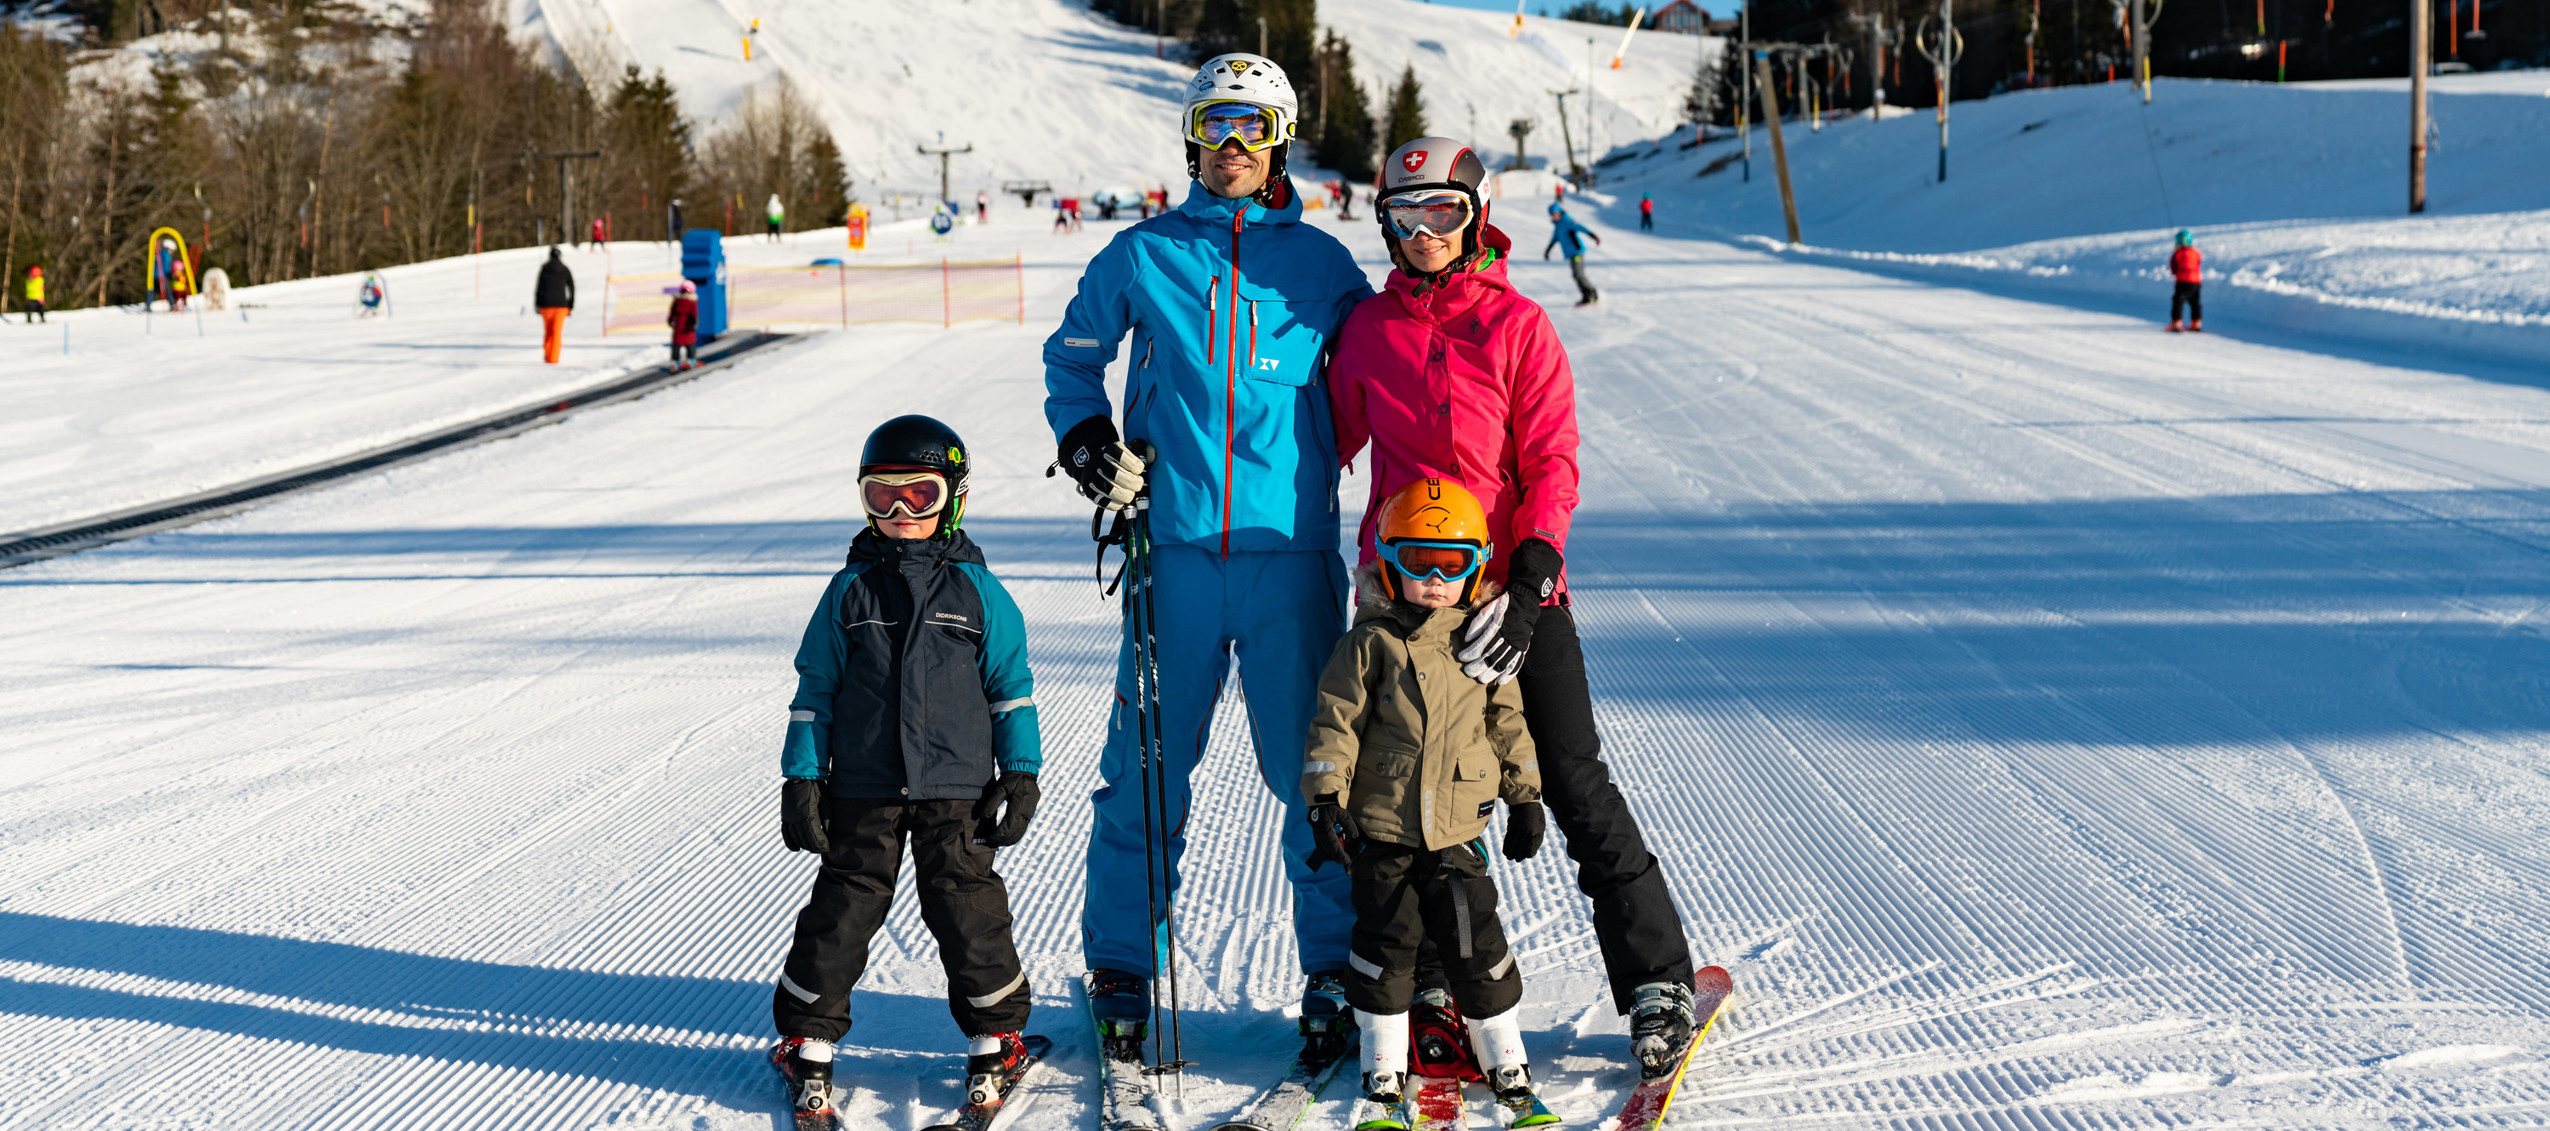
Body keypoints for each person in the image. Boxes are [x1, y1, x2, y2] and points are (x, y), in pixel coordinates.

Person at [1328, 137, 1704, 1078]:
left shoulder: (1519, 327)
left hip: (1508, 592)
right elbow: (1318, 442)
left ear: (1478, 213)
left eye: (1442, 213)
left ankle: (1657, 978)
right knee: (1406, 801)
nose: (1423, 233)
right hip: (1407, 601)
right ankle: (1429, 982)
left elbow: (1553, 461)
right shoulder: (1369, 331)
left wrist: (1530, 585)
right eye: (1404, 216)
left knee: (1572, 778)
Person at [1043, 51, 1374, 1062]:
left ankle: (1335, 966)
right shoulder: (1145, 255)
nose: (1229, 146)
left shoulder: (1322, 268)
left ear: (1279, 143)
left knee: (1316, 774)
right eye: (1213, 125)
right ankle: (1122, 970)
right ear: (1191, 139)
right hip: (1172, 555)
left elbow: (1384, 377)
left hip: (1291, 557)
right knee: (1145, 769)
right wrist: (1089, 443)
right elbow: (1072, 358)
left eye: (1250, 127)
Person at [767, 414, 1044, 1130]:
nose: (899, 513)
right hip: (863, 786)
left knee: (967, 906)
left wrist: (1019, 771)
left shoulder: (980, 591)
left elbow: (1011, 685)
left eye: (918, 496)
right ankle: (809, 1038)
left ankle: (995, 1036)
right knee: (842, 910)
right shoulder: (848, 592)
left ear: (953, 497)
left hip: (957, 790)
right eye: (882, 496)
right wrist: (803, 777)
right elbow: (815, 689)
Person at [1303, 478, 1553, 1131]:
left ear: (1476, 567)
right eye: (1419, 563)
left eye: (1453, 565)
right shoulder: (1369, 643)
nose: (1436, 580)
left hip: (1456, 834)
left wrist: (1526, 797)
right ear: (1390, 561)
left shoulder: (1481, 641)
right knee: (1385, 945)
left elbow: (1509, 724)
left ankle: (1506, 1059)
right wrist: (1325, 797)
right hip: (1384, 830)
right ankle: (1381, 1066)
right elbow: (1335, 723)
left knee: (1478, 944)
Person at [1544, 203, 1601, 307]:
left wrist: (1593, 236)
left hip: (1577, 252)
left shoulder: (1567, 222)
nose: (1553, 216)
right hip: (1571, 253)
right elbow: (1554, 239)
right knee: (1577, 275)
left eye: (1555, 214)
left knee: (1578, 275)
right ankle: (1588, 295)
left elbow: (1581, 228)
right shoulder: (1558, 226)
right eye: (1552, 215)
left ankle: (1590, 294)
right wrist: (1547, 251)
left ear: (1559, 212)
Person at [535, 247, 575, 364]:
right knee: (556, 332)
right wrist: (570, 305)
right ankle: (554, 358)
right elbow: (571, 288)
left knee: (548, 331)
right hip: (560, 306)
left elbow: (538, 288)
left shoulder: (544, 268)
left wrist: (537, 303)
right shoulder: (564, 268)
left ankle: (547, 356)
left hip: (546, 305)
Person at [2168, 229, 2203, 332]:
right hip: (2196, 282)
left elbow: (2174, 269)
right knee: (2195, 303)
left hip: (2183, 282)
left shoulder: (2177, 254)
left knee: (2178, 301)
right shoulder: (2196, 253)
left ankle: (2176, 323)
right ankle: (2196, 323)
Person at [667, 280, 699, 369]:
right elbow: (694, 314)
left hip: (678, 327)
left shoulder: (677, 301)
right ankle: (691, 360)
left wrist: (670, 320)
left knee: (676, 345)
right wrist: (694, 324)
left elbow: (672, 312)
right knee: (690, 344)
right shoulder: (692, 302)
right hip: (687, 327)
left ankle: (675, 362)